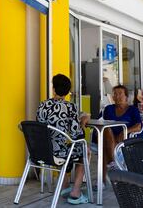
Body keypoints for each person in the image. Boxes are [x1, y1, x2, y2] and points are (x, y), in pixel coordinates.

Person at [37, 74, 90, 205]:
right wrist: (82, 122)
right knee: (84, 151)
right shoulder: (71, 107)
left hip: (41, 151)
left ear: (54, 89)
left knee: (65, 147)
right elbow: (76, 134)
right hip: (57, 154)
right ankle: (76, 192)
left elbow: (40, 127)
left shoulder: (43, 105)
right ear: (67, 92)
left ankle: (65, 186)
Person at [101, 84, 143, 181]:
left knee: (104, 148)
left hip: (126, 139)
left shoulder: (133, 109)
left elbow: (138, 126)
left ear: (126, 97)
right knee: (107, 129)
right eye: (115, 94)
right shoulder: (109, 109)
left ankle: (103, 180)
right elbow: (102, 122)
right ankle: (113, 164)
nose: (117, 96)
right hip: (110, 138)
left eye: (120, 94)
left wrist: (125, 131)